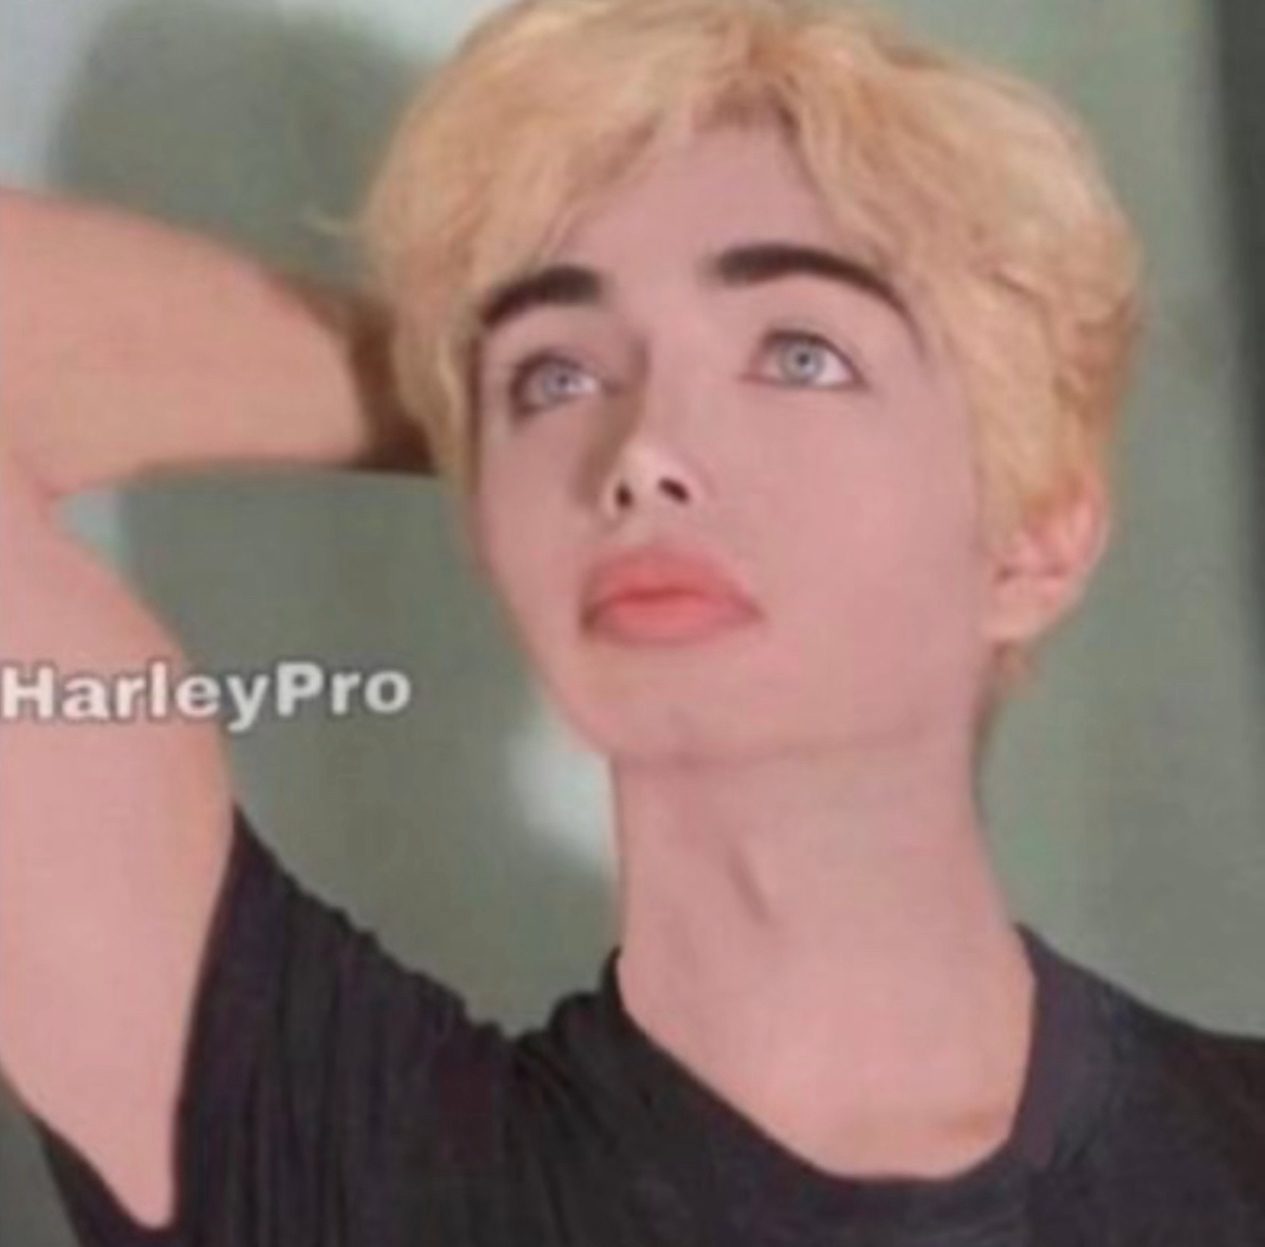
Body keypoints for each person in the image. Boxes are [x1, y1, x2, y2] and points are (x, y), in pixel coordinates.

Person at [3, 0, 1264, 1243]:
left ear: (1031, 541)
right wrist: (463, 387)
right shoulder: (327, 1161)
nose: (643, 449)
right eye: (558, 373)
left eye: (798, 352)